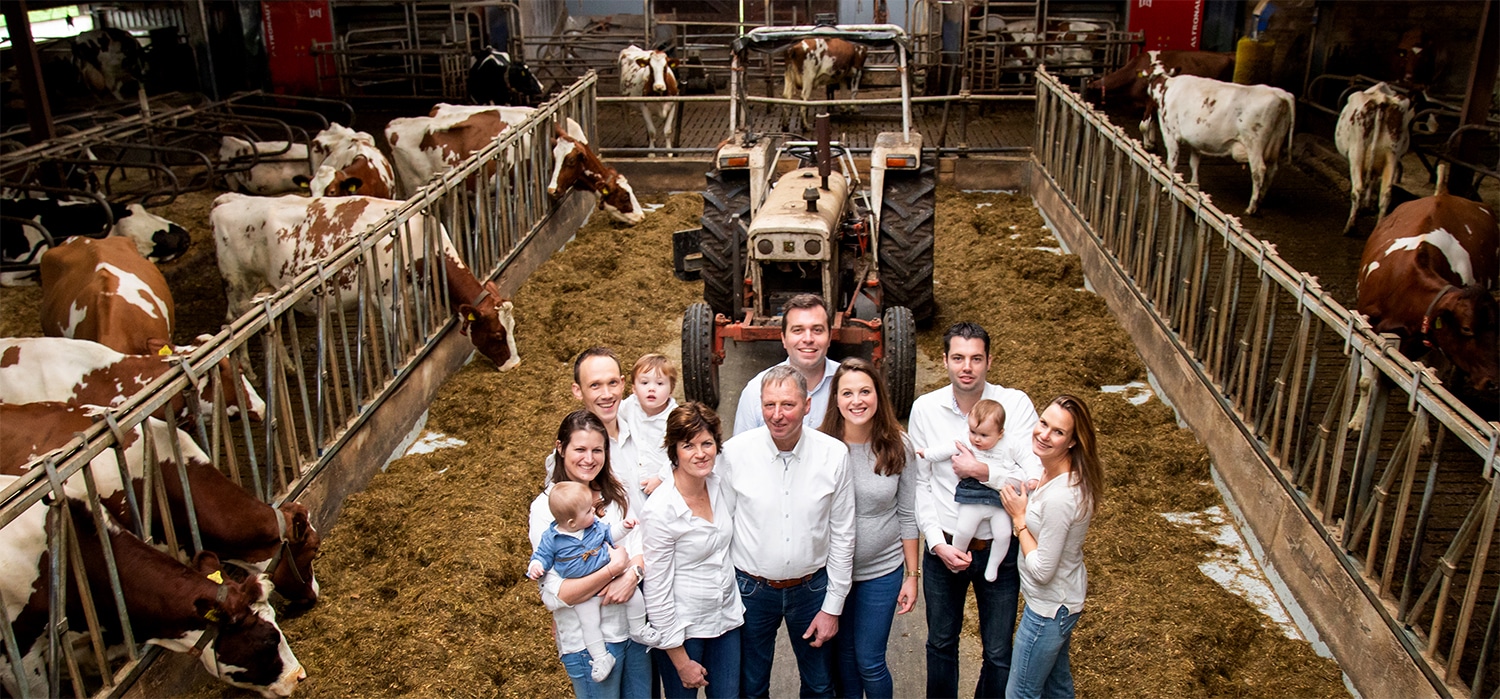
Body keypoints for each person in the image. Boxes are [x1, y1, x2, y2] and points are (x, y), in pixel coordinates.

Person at [908, 322, 1042, 698]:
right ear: (945, 360)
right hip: (946, 545)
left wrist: (983, 471)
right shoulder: (926, 409)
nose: (967, 367)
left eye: (976, 358)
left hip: (1000, 546)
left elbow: (1034, 477)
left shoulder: (1015, 405)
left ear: (989, 361)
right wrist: (935, 543)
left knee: (998, 652)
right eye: (958, 358)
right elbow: (921, 484)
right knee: (940, 645)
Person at [720, 365, 855, 698]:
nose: (777, 415)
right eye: (769, 405)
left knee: (821, 685)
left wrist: (832, 607)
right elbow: (721, 530)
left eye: (787, 405)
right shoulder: (735, 454)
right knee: (750, 687)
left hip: (812, 592)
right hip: (751, 590)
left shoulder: (834, 455)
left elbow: (843, 534)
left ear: (807, 405)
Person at [529, 410, 652, 698]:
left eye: (597, 449)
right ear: (560, 449)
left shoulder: (615, 494)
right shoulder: (546, 510)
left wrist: (632, 575)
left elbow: (640, 549)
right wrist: (613, 570)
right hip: (588, 645)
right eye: (580, 449)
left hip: (632, 632)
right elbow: (558, 593)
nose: (589, 458)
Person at [816, 358, 919, 699]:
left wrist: (912, 575)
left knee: (870, 660)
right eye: (847, 393)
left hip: (882, 571)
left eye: (865, 391)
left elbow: (907, 514)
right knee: (843, 658)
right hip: (832, 573)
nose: (857, 400)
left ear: (878, 395)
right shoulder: (821, 446)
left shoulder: (897, 446)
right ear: (836, 399)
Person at [999, 395, 1103, 699]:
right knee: (1056, 689)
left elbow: (1043, 570)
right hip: (1062, 601)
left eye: (1057, 432)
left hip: (1049, 609)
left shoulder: (1063, 496)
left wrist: (1019, 518)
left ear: (1072, 442)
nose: (1044, 434)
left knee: (1020, 693)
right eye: (1043, 422)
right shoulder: (1049, 469)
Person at [641, 402, 743, 699]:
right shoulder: (660, 510)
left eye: (707, 443)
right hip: (682, 632)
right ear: (674, 451)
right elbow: (656, 591)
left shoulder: (717, 484)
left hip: (725, 620)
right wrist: (681, 660)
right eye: (689, 446)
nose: (700, 453)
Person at [529, 481, 660, 681]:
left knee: (635, 597)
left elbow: (611, 532)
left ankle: (639, 628)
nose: (594, 511)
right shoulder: (552, 538)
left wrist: (624, 527)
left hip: (613, 581)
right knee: (589, 622)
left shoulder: (594, 528)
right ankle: (600, 657)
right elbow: (542, 556)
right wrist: (535, 566)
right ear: (572, 523)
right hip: (585, 591)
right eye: (588, 511)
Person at [918, 399, 1041, 582]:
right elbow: (944, 450)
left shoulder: (1010, 444)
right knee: (964, 529)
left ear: (1000, 433)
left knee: (1003, 534)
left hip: (999, 500)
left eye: (984, 435)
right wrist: (927, 453)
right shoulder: (966, 440)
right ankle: (958, 556)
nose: (976, 439)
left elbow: (1027, 459)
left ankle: (993, 566)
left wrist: (1033, 477)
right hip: (973, 497)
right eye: (973, 432)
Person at [547, 348, 648, 512]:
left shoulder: (646, 430)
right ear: (577, 391)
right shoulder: (574, 460)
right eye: (595, 385)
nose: (607, 394)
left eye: (612, 383)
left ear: (622, 383)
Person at [733, 294, 840, 435]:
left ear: (829, 337)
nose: (808, 339)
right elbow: (741, 452)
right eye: (798, 330)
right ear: (783, 338)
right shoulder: (756, 390)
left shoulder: (850, 384)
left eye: (817, 330)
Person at [620, 353, 679, 494]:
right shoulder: (630, 405)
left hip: (664, 483)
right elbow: (611, 417)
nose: (651, 388)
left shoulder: (674, 418)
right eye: (644, 383)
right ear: (634, 388)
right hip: (634, 480)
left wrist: (661, 477)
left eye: (659, 383)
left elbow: (679, 454)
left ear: (671, 389)